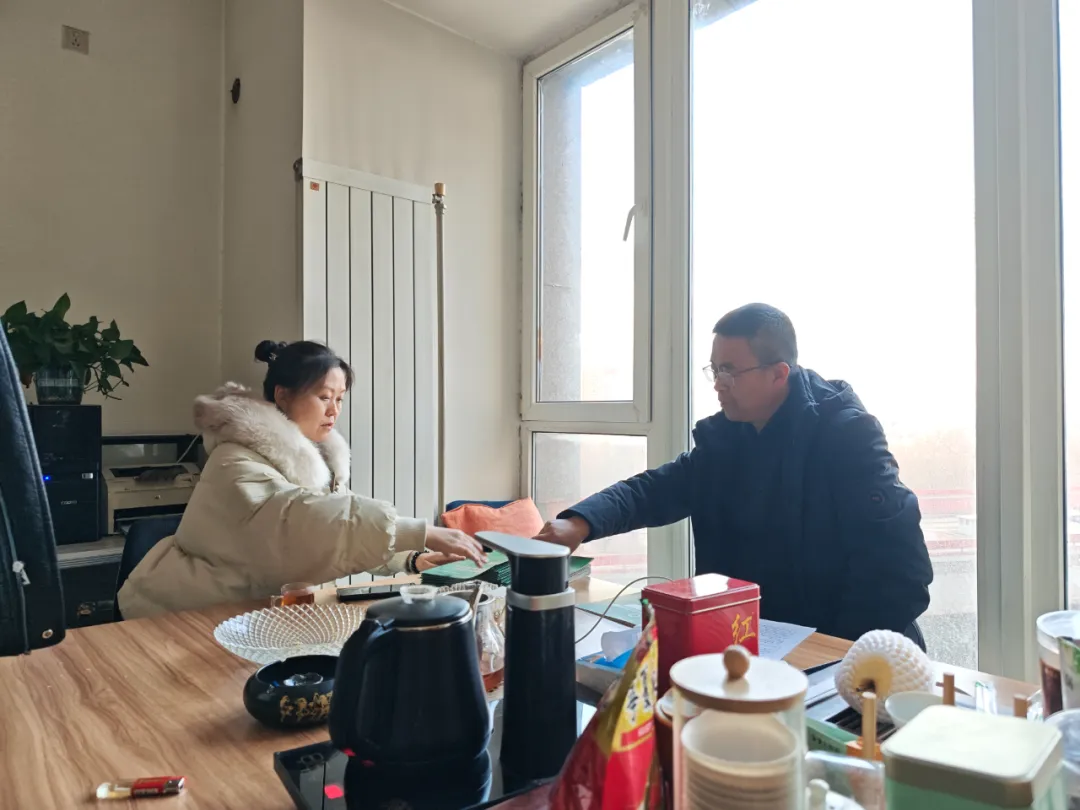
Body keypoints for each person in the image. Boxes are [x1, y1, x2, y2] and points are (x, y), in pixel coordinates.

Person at [536, 304, 933, 645]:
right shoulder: (727, 439)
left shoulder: (847, 436)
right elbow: (656, 489)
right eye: (715, 369)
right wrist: (580, 522)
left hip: (850, 657)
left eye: (729, 371)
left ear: (778, 374)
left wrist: (835, 653)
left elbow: (899, 573)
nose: (718, 385)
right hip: (753, 645)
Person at [118, 340, 484, 619]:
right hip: (181, 614)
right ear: (282, 395)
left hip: (255, 611)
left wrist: (411, 560)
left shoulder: (319, 462)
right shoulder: (233, 460)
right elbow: (300, 524)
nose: (334, 410)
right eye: (324, 397)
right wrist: (419, 531)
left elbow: (333, 537)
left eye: (340, 398)